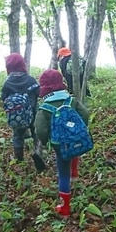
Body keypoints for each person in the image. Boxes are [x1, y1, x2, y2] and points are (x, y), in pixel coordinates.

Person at [35, 69, 90, 216]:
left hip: (59, 144)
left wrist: (46, 140)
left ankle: (65, 207)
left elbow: (40, 129)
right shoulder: (71, 100)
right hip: (75, 139)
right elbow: (85, 114)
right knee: (74, 150)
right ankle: (75, 175)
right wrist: (79, 129)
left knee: (62, 173)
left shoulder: (44, 108)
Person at [0, 53, 44, 170]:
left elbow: (3, 97)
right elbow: (39, 93)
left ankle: (19, 158)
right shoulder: (30, 79)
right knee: (36, 133)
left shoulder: (8, 82)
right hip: (33, 113)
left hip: (17, 116)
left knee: (17, 135)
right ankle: (37, 153)